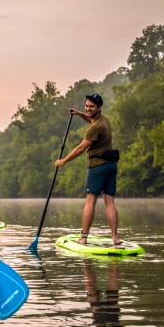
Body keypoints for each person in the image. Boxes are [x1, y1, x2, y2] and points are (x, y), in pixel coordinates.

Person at [54, 94, 122, 247]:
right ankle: (115, 238)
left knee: (90, 201)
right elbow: (91, 119)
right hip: (111, 165)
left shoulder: (94, 128)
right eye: (87, 106)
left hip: (98, 166)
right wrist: (79, 114)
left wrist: (63, 161)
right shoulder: (104, 119)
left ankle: (83, 237)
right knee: (109, 202)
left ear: (98, 107)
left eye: (91, 106)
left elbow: (80, 148)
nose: (88, 109)